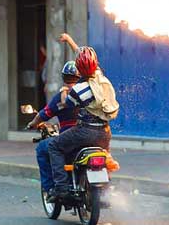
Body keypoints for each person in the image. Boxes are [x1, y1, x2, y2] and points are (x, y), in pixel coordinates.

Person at [47, 37, 119, 202]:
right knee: (105, 156)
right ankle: (106, 190)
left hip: (84, 132)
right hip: (105, 132)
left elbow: (68, 104)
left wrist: (65, 90)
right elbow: (82, 54)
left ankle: (61, 189)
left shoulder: (78, 90)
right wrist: (70, 40)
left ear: (78, 69)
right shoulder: (102, 79)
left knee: (54, 146)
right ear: (96, 64)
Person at [27, 61, 80, 194]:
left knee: (43, 148)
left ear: (63, 77)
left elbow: (44, 114)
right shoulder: (88, 93)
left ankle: (51, 188)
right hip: (93, 137)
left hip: (70, 138)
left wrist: (32, 124)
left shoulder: (62, 96)